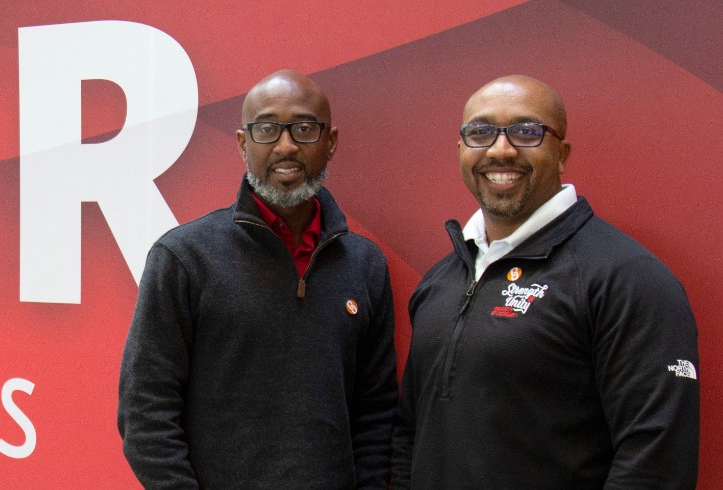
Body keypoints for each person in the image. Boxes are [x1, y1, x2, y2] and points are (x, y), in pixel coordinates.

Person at [392, 75, 700, 488]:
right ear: (461, 150)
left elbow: (656, 464)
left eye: (526, 132)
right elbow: (411, 433)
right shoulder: (441, 280)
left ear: (561, 153)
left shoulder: (626, 277)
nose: (501, 149)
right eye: (481, 133)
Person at [117, 69, 398, 488]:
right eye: (267, 129)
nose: (286, 146)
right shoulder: (184, 257)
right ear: (243, 144)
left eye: (304, 128)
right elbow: (145, 411)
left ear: (330, 142)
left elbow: (376, 412)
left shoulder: (364, 264)